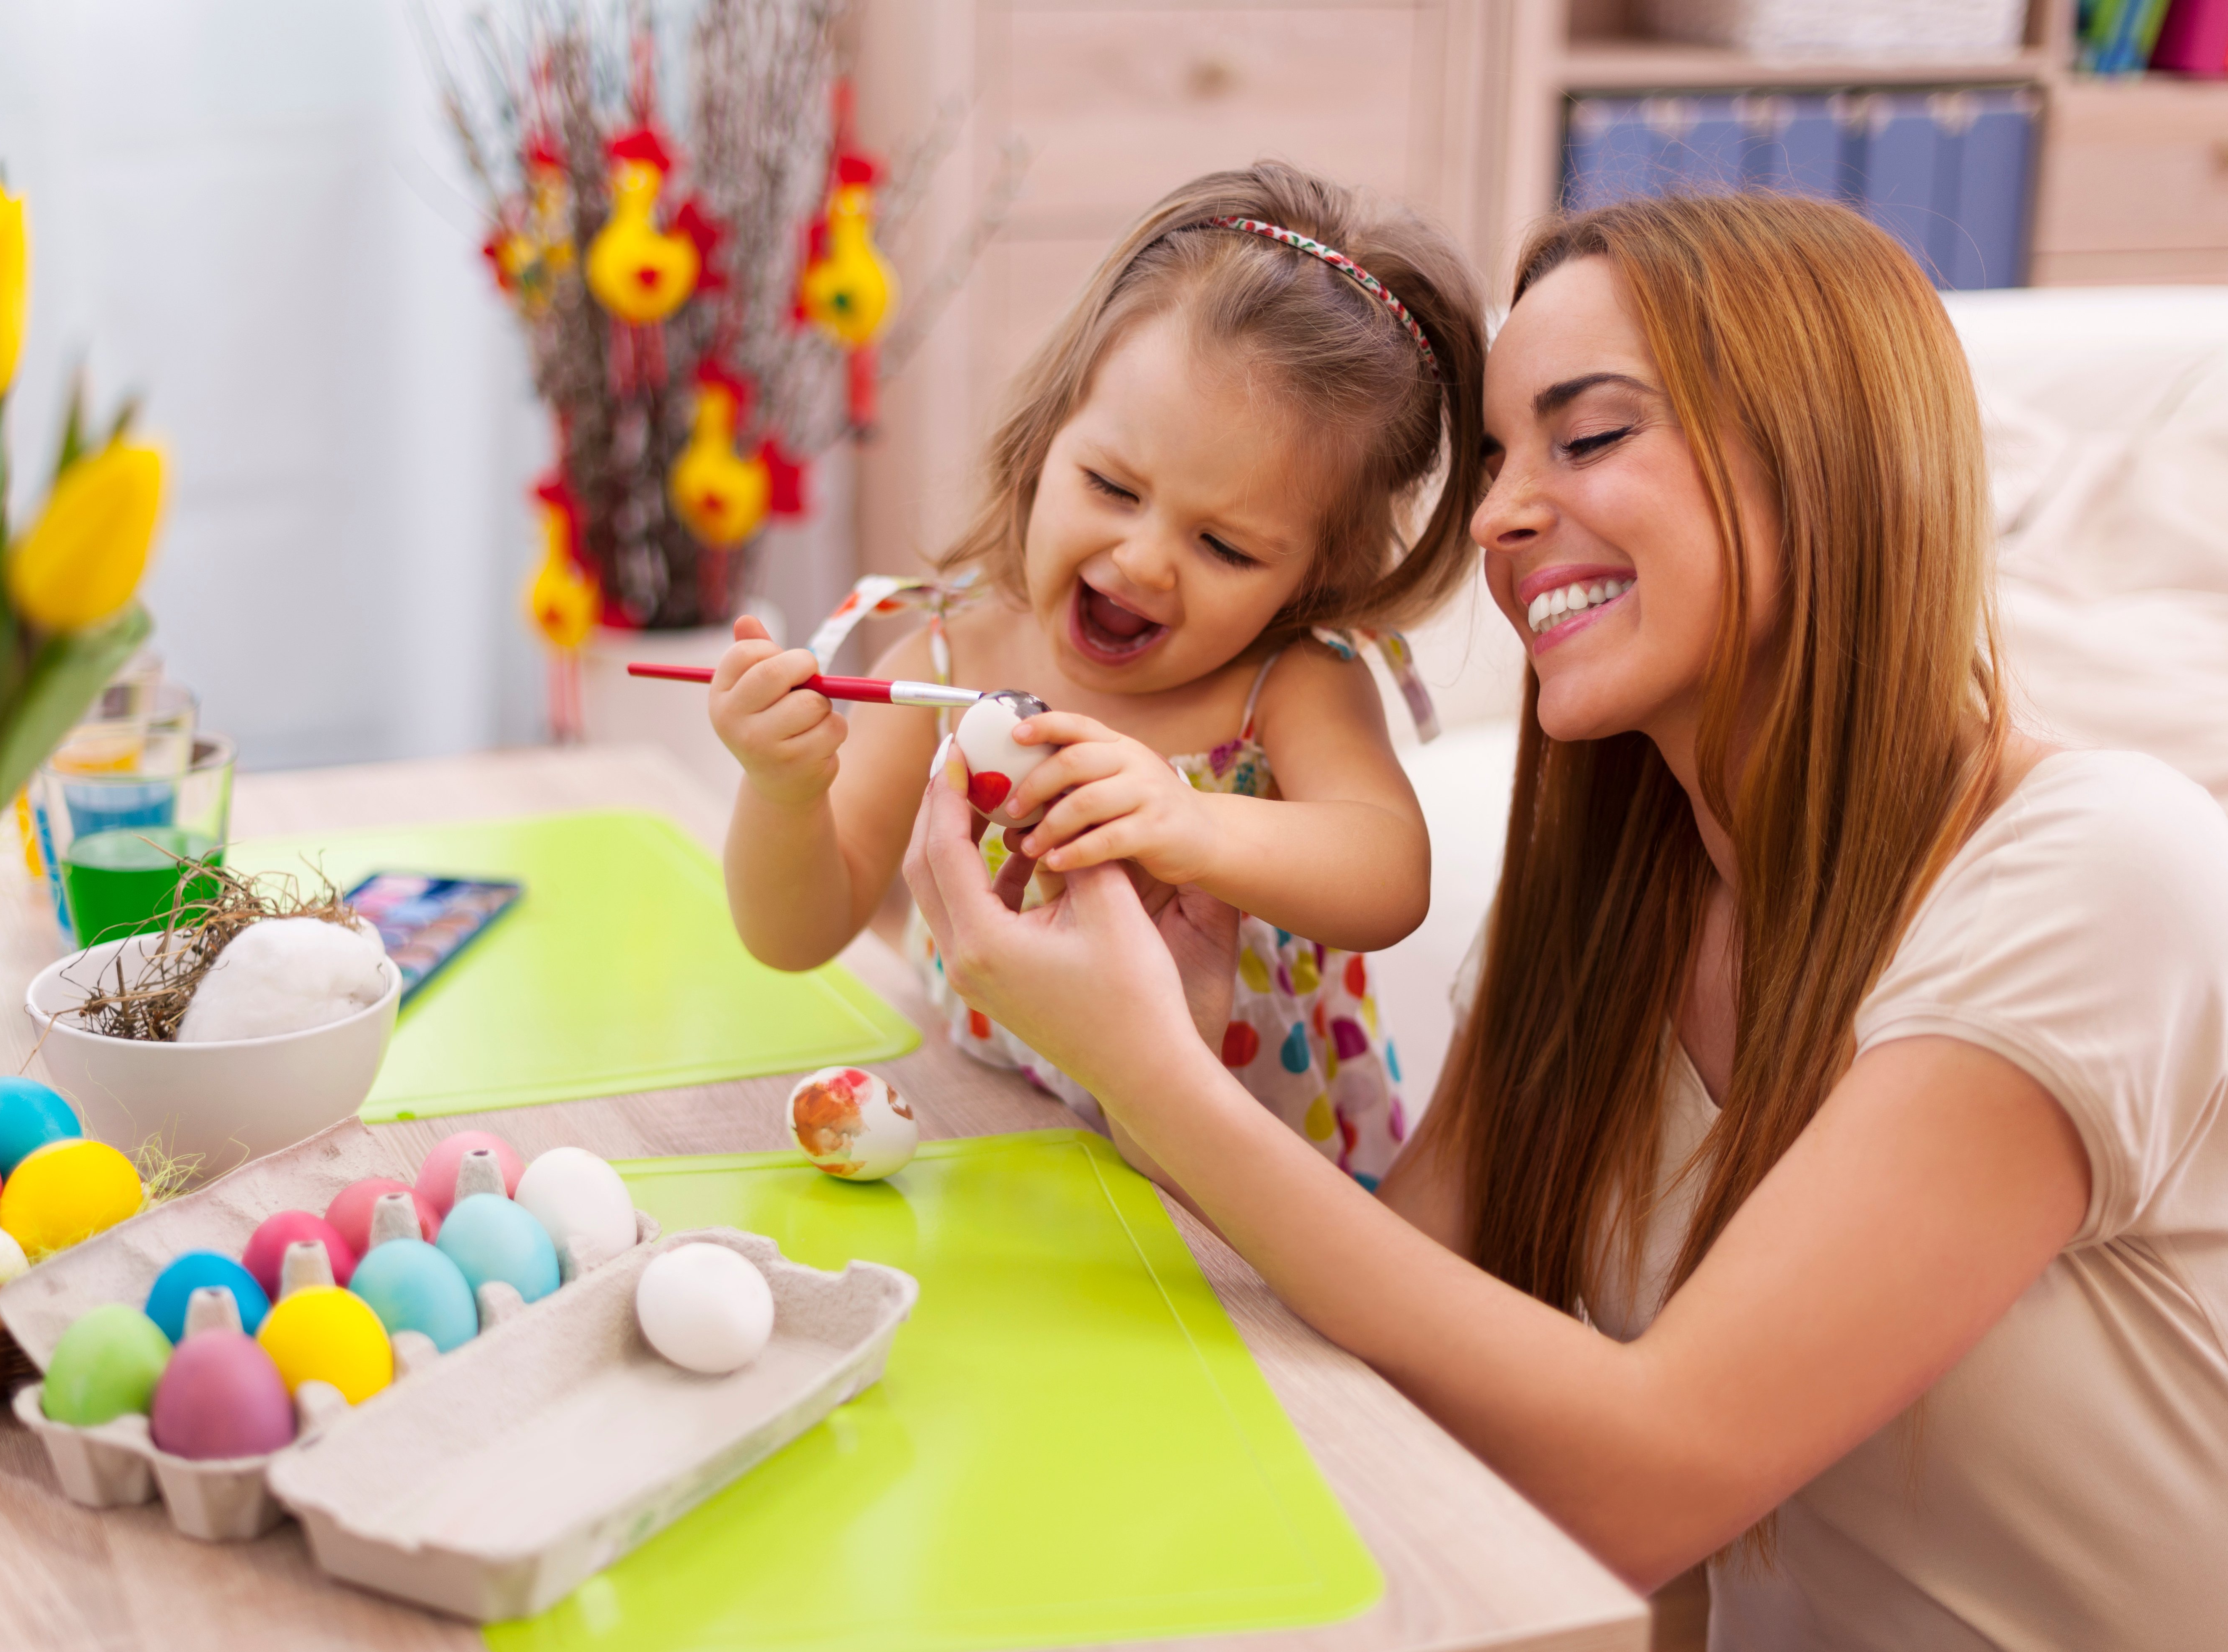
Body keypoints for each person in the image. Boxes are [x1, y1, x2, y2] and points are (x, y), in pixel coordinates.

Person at [905, 190, 2228, 1649]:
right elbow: (1390, 1334)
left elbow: (1649, 1486)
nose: (1499, 518)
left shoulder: (2101, 876)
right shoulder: (1609, 915)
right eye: (1491, 462)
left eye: (1586, 438)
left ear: (1827, 463)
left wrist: (1154, 1079)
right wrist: (1181, 1043)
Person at [709, 162, 1487, 1186]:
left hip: (1251, 1205)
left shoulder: (1286, 684)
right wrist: (782, 790)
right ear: (1048, 438)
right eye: (1112, 485)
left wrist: (1193, 823)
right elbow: (793, 934)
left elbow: (1389, 876)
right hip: (1006, 1154)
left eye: (1227, 547)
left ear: (1316, 573)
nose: (1145, 560)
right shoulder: (954, 657)